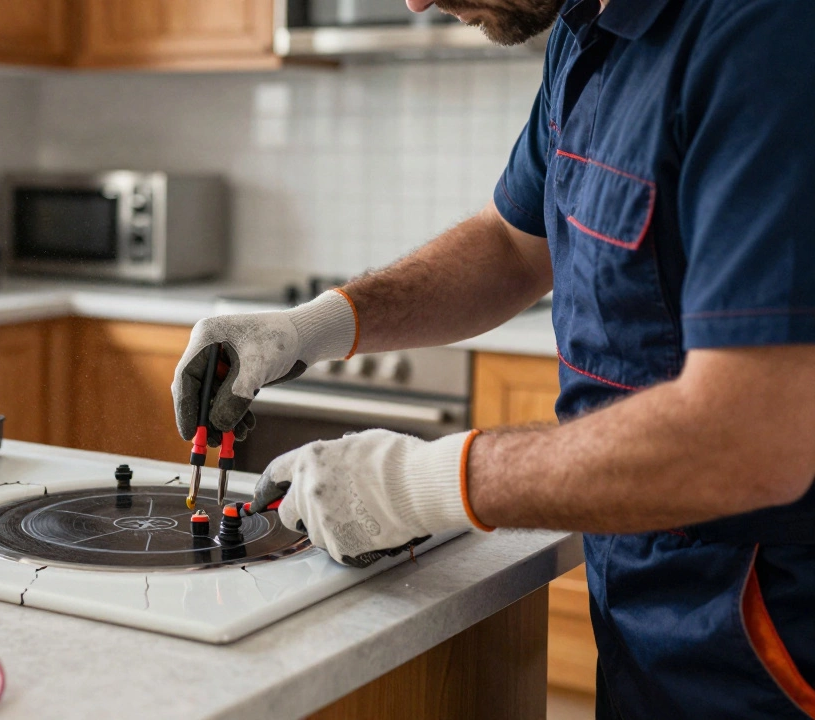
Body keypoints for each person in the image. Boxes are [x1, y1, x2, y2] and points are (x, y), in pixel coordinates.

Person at [171, 0, 815, 716]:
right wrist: (312, 327)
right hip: (645, 630)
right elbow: (510, 244)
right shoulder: (585, 35)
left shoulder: (767, 31)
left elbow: (755, 437)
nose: (415, 1)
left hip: (769, 654)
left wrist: (414, 485)